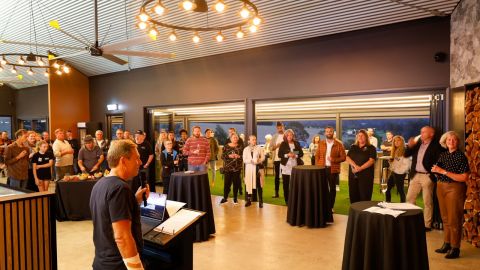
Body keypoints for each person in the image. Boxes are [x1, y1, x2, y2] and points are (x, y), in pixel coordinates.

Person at [89, 139, 150, 269]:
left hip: (102, 262)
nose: (140, 162)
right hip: (118, 265)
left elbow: (110, 215)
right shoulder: (120, 189)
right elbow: (122, 237)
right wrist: (136, 267)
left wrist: (134, 200)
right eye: (136, 158)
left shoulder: (99, 185)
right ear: (123, 160)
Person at [431, 131, 469, 259]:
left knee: (454, 219)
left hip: (455, 188)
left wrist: (443, 171)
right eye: (448, 140)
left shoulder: (461, 156)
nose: (451, 142)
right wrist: (436, 171)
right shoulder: (443, 155)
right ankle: (447, 244)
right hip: (441, 187)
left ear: (457, 142)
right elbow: (439, 170)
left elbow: (464, 177)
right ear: (445, 142)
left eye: (454, 140)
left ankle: (455, 248)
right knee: (445, 218)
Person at [405, 126, 444, 231]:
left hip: (427, 175)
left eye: (424, 132)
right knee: (409, 198)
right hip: (415, 175)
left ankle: (427, 225)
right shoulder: (417, 144)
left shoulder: (436, 146)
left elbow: (440, 161)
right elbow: (406, 154)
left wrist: (433, 175)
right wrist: (409, 146)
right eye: (421, 132)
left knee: (427, 201)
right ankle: (412, 221)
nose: (421, 134)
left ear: (431, 134)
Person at [316, 126, 346, 211]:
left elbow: (344, 157)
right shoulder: (321, 143)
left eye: (330, 131)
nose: (329, 133)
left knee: (332, 188)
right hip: (322, 169)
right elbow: (317, 156)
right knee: (322, 188)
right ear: (325, 133)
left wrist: (334, 160)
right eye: (327, 131)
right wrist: (317, 166)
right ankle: (322, 205)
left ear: (333, 133)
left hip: (333, 169)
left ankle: (330, 206)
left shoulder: (338, 144)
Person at [345, 129, 377, 203]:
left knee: (364, 196)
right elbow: (347, 157)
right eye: (359, 136)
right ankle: (355, 213)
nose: (360, 137)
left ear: (366, 137)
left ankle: (364, 214)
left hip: (366, 176)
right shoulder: (353, 147)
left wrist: (360, 168)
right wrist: (355, 166)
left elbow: (371, 160)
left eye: (362, 136)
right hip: (353, 175)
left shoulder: (371, 148)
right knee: (353, 195)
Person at [278, 129, 304, 204]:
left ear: (293, 135)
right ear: (285, 136)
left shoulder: (297, 143)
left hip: (295, 166)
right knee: (286, 184)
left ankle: (295, 199)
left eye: (291, 135)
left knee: (295, 184)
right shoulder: (283, 144)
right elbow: (280, 155)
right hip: (285, 166)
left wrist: (294, 155)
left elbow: (301, 153)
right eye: (288, 135)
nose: (289, 136)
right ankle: (287, 200)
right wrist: (288, 155)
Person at [385, 135, 410, 202]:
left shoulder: (405, 151)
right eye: (395, 141)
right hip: (394, 172)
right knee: (388, 187)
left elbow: (407, 165)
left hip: (400, 173)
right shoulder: (394, 150)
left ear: (402, 142)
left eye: (398, 140)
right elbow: (395, 164)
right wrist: (391, 162)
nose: (396, 142)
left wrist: (399, 171)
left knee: (400, 189)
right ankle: (387, 203)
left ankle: (403, 204)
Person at [220, 133, 243, 205]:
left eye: (236, 138)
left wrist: (238, 156)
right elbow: (222, 156)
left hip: (237, 168)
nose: (235, 139)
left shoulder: (240, 147)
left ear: (238, 139)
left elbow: (243, 157)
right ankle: (225, 198)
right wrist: (229, 156)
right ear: (230, 138)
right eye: (234, 138)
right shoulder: (226, 146)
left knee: (236, 184)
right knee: (227, 184)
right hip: (228, 168)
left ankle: (235, 199)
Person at [243, 135, 265, 208]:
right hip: (249, 168)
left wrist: (259, 160)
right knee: (249, 184)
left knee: (259, 185)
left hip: (257, 168)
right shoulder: (245, 149)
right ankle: (249, 200)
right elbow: (244, 160)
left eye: (255, 139)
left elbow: (263, 157)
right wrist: (251, 161)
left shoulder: (259, 148)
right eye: (253, 140)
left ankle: (261, 201)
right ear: (249, 141)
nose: (254, 141)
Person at [269, 122, 285, 198]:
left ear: (283, 127)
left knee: (286, 177)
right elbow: (270, 148)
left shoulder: (287, 136)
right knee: (277, 177)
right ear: (276, 128)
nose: (279, 129)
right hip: (276, 159)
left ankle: (287, 193)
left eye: (281, 127)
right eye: (278, 128)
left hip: (286, 160)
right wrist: (277, 146)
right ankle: (276, 193)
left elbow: (294, 149)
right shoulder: (274, 136)